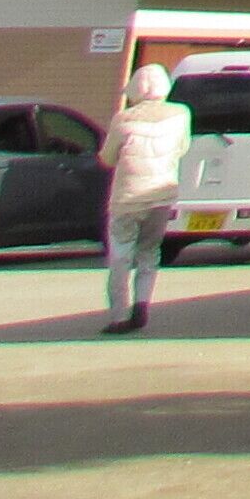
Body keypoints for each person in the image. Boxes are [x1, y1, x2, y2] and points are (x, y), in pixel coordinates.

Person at [96, 62, 188, 335]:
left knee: (120, 257)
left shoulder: (123, 119)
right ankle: (142, 306)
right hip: (161, 195)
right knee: (149, 252)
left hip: (127, 199)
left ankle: (118, 316)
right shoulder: (181, 114)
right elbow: (183, 148)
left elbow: (107, 158)